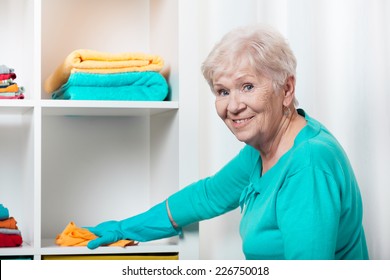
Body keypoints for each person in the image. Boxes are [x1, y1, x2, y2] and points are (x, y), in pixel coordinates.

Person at [85, 25, 369, 260]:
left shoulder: (308, 165)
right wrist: (125, 229)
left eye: (247, 87)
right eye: (222, 91)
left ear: (287, 88)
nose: (232, 106)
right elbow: (207, 196)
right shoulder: (264, 147)